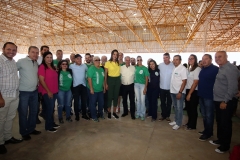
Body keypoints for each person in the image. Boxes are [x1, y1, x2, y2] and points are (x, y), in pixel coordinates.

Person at [210, 51, 238, 153]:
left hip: (225, 101)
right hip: (218, 100)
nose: (217, 59)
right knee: (220, 121)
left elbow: (232, 87)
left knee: (225, 123)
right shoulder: (221, 68)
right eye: (216, 57)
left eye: (220, 57)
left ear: (226, 56)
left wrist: (225, 101)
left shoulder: (230, 68)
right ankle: (220, 140)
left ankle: (225, 146)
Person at [0, 42, 23, 154]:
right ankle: (0, 142)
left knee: (10, 117)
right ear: (3, 49)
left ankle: (8, 137)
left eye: (14, 50)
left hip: (14, 95)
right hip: (3, 96)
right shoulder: (0, 61)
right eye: (9, 49)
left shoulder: (13, 61)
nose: (11, 52)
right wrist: (0, 98)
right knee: (1, 119)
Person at [17, 46, 41, 141]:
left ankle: (31, 129)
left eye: (37, 52)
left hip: (34, 92)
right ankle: (24, 132)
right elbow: (11, 71)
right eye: (33, 52)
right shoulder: (21, 61)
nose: (35, 54)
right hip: (24, 92)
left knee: (34, 112)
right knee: (23, 113)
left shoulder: (35, 63)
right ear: (28, 52)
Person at [198, 54, 218, 141]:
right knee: (204, 115)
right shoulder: (203, 69)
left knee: (209, 115)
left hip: (209, 96)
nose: (204, 61)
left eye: (206, 59)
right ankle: (206, 130)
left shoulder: (215, 69)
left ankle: (208, 133)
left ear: (211, 60)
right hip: (201, 95)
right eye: (203, 59)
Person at [38, 51, 59, 133]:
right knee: (49, 109)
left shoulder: (52, 67)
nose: (49, 59)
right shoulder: (42, 67)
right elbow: (41, 80)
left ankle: (52, 123)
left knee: (52, 108)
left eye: (51, 57)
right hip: (47, 92)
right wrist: (48, 91)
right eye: (47, 57)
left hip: (54, 91)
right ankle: (48, 126)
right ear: (44, 58)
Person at [169, 55, 187, 130]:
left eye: (177, 59)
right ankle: (176, 120)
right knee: (176, 107)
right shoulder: (174, 68)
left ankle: (178, 123)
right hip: (173, 91)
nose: (175, 61)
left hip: (179, 92)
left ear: (180, 60)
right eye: (174, 59)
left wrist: (180, 92)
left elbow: (184, 81)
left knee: (179, 108)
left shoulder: (183, 69)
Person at [69, 54, 90, 121]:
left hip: (83, 86)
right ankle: (77, 115)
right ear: (74, 60)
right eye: (77, 58)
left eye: (80, 58)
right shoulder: (71, 66)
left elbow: (88, 71)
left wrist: (87, 77)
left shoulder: (84, 66)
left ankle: (84, 114)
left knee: (84, 101)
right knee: (76, 102)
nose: (79, 60)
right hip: (76, 87)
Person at [184, 54, 201, 130]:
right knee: (189, 108)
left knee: (193, 108)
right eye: (189, 58)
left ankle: (192, 125)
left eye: (192, 58)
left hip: (193, 91)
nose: (190, 60)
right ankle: (189, 122)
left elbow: (195, 82)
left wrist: (190, 94)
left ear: (195, 59)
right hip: (188, 90)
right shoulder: (190, 68)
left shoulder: (197, 69)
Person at [87, 56, 105, 122]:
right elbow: (89, 79)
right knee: (93, 103)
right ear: (93, 61)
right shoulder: (91, 68)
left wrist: (104, 88)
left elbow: (103, 79)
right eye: (96, 60)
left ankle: (100, 114)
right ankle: (94, 116)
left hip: (100, 90)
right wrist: (91, 89)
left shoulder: (101, 69)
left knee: (101, 103)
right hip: (93, 90)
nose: (98, 61)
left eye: (98, 60)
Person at [104, 49, 121, 119]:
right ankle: (109, 112)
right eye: (114, 54)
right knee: (110, 97)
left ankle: (114, 112)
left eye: (116, 54)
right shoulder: (108, 63)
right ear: (111, 55)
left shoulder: (119, 63)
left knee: (116, 96)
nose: (115, 56)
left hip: (117, 80)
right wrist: (106, 83)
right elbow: (105, 74)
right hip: (110, 79)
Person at [158, 53, 174, 122]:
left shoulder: (173, 65)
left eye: (166, 57)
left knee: (169, 102)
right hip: (162, 87)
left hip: (170, 88)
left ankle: (167, 116)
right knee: (162, 102)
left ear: (169, 58)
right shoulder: (160, 65)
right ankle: (163, 115)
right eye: (164, 58)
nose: (165, 59)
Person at [134, 56, 149, 121]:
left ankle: (142, 114)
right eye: (138, 60)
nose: (139, 61)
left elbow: (146, 79)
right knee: (138, 100)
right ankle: (138, 113)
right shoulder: (135, 68)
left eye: (140, 60)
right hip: (136, 85)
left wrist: (145, 87)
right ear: (137, 61)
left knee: (142, 100)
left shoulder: (145, 68)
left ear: (142, 60)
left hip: (143, 85)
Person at [38, 45, 50, 122]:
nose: (46, 51)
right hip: (38, 83)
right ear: (41, 51)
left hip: (45, 84)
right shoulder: (38, 59)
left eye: (47, 50)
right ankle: (36, 117)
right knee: (37, 102)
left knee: (45, 101)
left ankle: (44, 113)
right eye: (44, 50)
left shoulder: (49, 60)